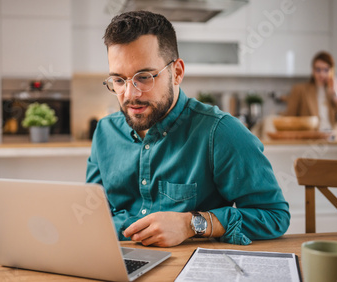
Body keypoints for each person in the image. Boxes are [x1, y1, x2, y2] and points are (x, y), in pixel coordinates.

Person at [86, 11, 290, 247]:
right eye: (119, 80)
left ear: (177, 72)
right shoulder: (105, 131)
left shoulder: (220, 132)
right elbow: (93, 212)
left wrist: (191, 224)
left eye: (144, 77)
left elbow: (275, 217)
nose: (130, 94)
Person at [285, 51, 337, 141]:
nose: (322, 74)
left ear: (332, 70)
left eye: (326, 70)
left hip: (336, 141)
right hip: (310, 141)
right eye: (318, 69)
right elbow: (290, 120)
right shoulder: (300, 90)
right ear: (313, 70)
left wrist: (335, 95)